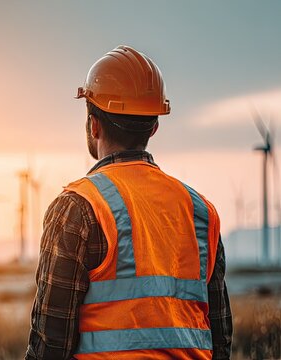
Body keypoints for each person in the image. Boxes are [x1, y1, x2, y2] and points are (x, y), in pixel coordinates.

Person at [25, 45, 232, 359]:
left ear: (93, 125)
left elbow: (51, 344)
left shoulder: (79, 208)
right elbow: (220, 337)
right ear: (154, 126)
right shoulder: (200, 212)